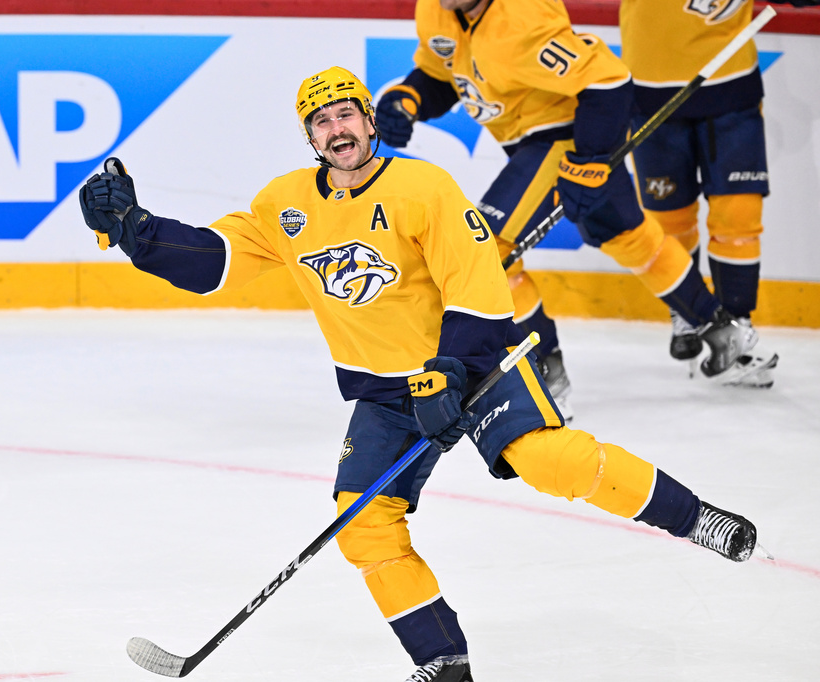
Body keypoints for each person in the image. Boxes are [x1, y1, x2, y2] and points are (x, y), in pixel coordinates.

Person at [79, 66, 761, 682]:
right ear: (310, 138)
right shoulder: (286, 205)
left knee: (550, 460)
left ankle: (694, 518)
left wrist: (449, 371)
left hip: (471, 369)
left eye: (346, 113)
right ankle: (443, 662)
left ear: (369, 122)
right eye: (321, 121)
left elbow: (479, 284)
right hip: (383, 391)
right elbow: (212, 261)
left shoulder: (423, 186)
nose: (337, 129)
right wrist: (138, 230)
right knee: (364, 523)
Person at [373, 0, 778, 419]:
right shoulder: (437, 11)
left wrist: (589, 160)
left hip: (565, 139)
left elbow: (609, 82)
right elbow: (445, 73)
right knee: (630, 238)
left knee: (486, 250)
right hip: (553, 142)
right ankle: (723, 330)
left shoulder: (523, 17)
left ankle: (546, 377)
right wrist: (410, 98)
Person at [618, 0, 810, 386]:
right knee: (671, 219)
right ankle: (690, 313)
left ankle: (737, 326)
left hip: (731, 88)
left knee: (738, 216)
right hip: (650, 93)